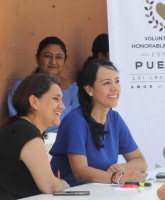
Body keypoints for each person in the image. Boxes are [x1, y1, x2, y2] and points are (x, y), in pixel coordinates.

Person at [50, 59, 148, 187]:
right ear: (89, 89)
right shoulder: (74, 121)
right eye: (106, 83)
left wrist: (120, 169)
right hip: (73, 194)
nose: (114, 88)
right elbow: (81, 172)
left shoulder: (115, 119)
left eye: (117, 81)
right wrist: (118, 177)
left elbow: (141, 162)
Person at [0, 74, 69, 199]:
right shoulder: (26, 132)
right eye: (55, 99)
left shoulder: (21, 128)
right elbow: (50, 186)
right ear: (34, 101)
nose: (62, 106)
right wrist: (64, 183)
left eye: (62, 99)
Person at [7, 36, 79, 133]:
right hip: (28, 137)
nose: (53, 61)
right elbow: (17, 120)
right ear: (37, 58)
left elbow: (76, 124)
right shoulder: (22, 86)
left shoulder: (74, 90)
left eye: (59, 57)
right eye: (48, 56)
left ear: (65, 61)